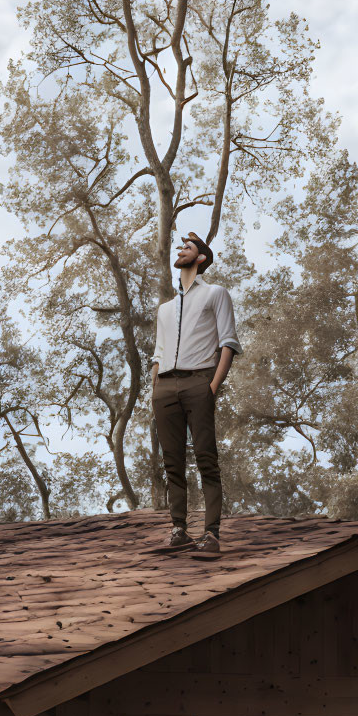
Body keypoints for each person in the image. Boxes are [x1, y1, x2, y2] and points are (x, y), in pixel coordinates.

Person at [150, 231, 242, 553]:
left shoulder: (216, 294)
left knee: (206, 458)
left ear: (201, 258)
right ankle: (179, 530)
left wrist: (211, 388)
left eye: (187, 247)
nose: (181, 249)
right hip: (165, 388)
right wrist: (154, 391)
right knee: (172, 462)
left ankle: (212, 534)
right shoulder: (164, 309)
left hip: (198, 382)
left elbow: (228, 343)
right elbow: (158, 354)